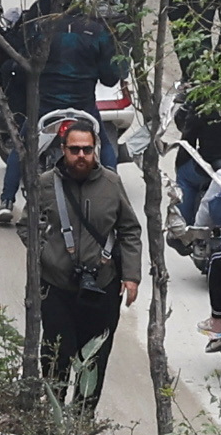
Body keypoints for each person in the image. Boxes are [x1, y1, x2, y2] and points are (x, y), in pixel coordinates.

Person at [9, 106, 140, 409]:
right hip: (57, 289)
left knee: (94, 358)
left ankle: (82, 421)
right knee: (56, 355)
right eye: (75, 150)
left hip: (102, 287)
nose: (81, 155)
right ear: (63, 150)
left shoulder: (111, 183)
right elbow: (26, 226)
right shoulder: (44, 184)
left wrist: (131, 276)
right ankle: (51, 414)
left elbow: (130, 230)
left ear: (96, 150)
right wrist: (46, 255)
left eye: (87, 149)